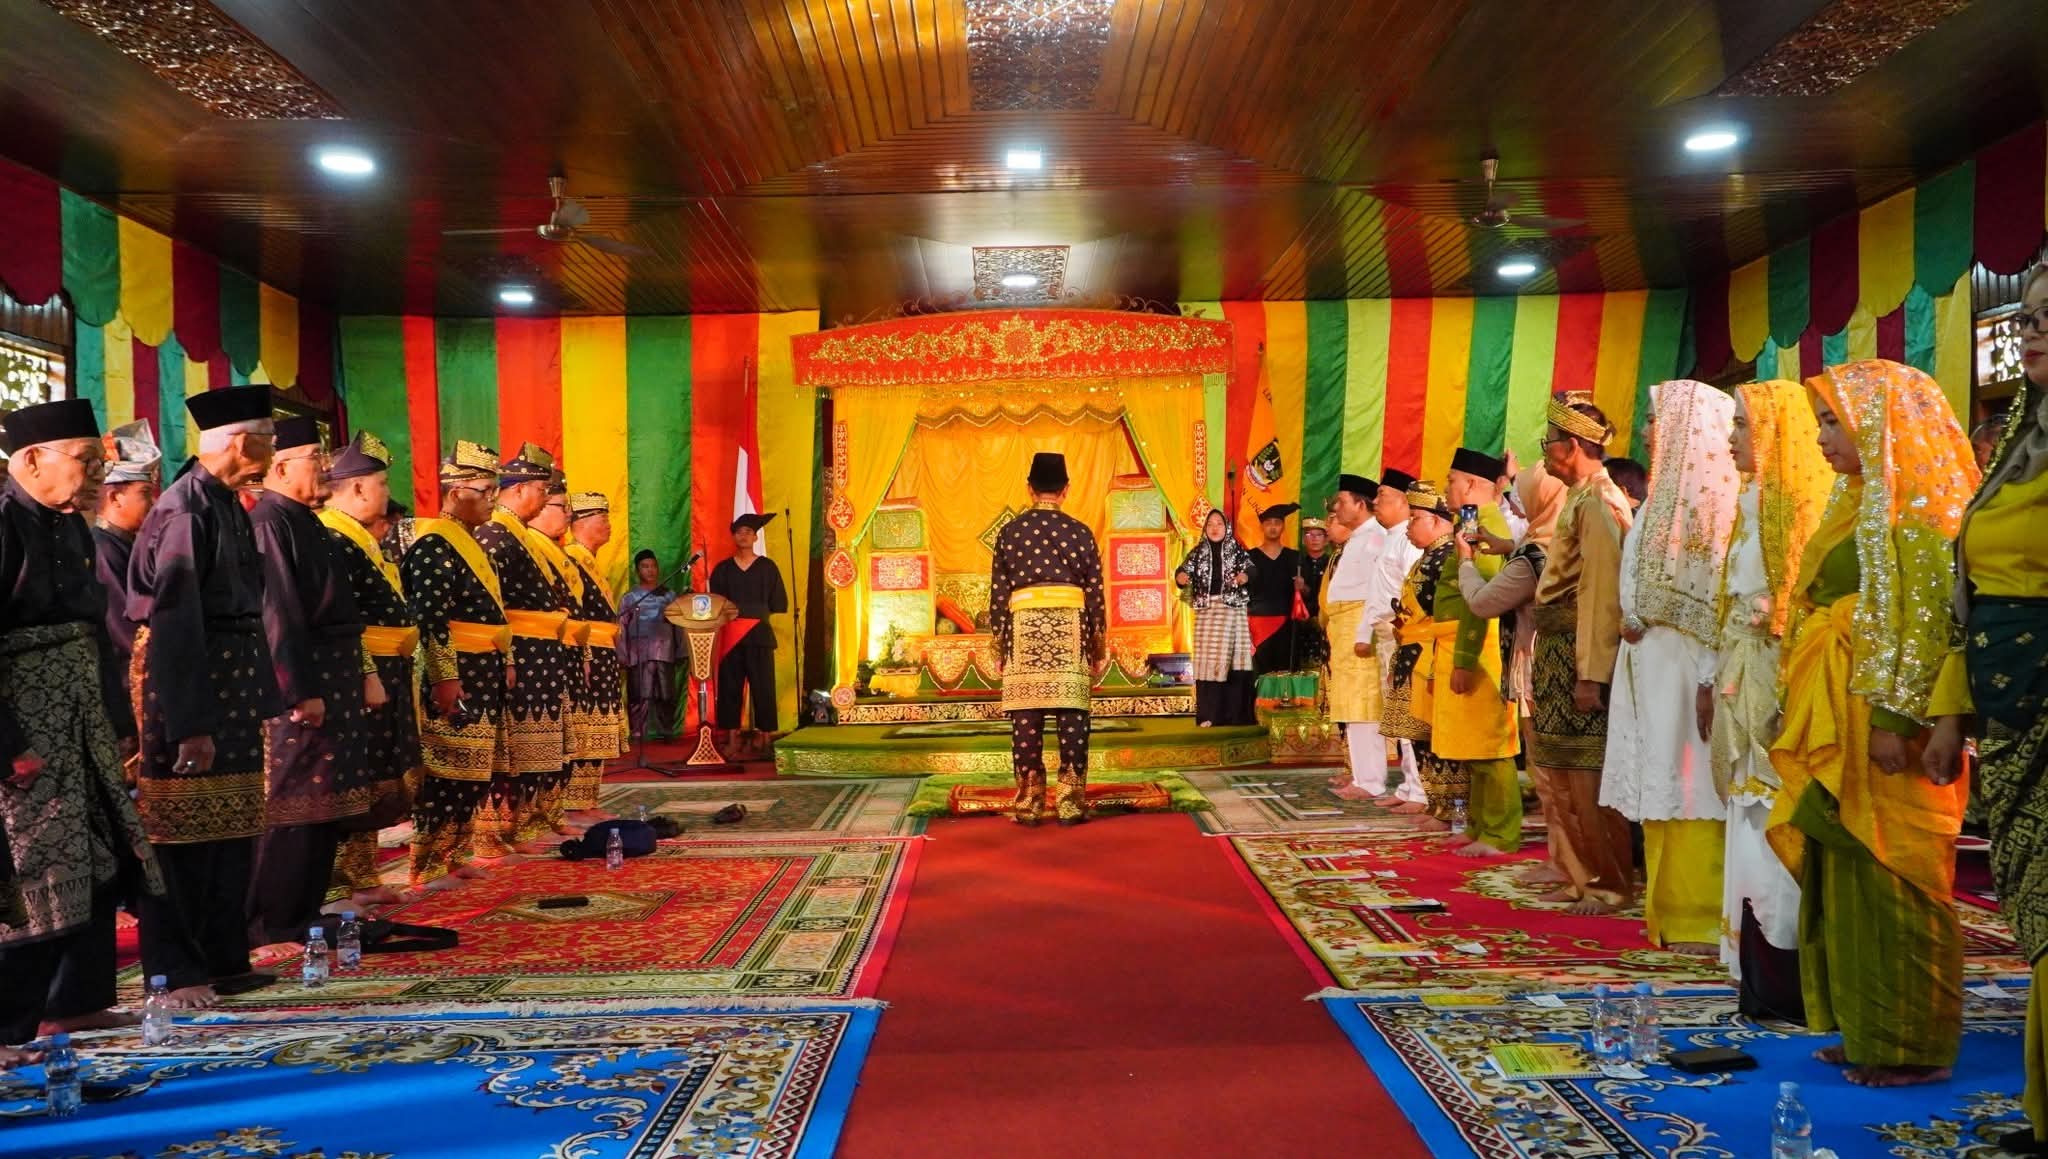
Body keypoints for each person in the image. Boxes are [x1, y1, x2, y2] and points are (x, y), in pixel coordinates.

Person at [1768, 359, 1977, 1088]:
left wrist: (1896, 717)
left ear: (1881, 422)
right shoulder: (1855, 500)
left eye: (1834, 420)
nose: (1822, 436)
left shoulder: (1918, 509)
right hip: (1837, 703)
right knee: (1845, 865)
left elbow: (1929, 627)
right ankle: (1864, 1027)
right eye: (1820, 420)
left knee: (1897, 875)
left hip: (1888, 719)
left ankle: (1909, 1045)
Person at [0, 400, 161, 1052]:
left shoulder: (71, 526)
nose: (98, 476)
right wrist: (9, 745)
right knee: (30, 878)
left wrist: (118, 722)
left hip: (83, 719)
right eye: (86, 461)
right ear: (32, 459)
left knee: (99, 856)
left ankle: (80, 1001)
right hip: (26, 732)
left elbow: (95, 633)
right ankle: (7, 1025)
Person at [1928, 263, 2048, 1139]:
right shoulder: (2020, 437)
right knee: (2034, 901)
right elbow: (1970, 589)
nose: (2032, 328)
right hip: (2010, 692)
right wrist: (1949, 707)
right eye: (2031, 315)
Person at [127, 385, 284, 1005]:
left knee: (230, 827)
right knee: (182, 836)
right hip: (188, 682)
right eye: (270, 439)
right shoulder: (185, 510)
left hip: (231, 679)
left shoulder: (224, 502)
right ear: (241, 441)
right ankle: (174, 971)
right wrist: (190, 721)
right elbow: (174, 621)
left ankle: (224, 956)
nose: (273, 452)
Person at [1599, 381, 1738, 955]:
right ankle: (1669, 915)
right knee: (1662, 783)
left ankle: (1704, 919)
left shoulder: (1710, 499)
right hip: (1650, 667)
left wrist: (1709, 678)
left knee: (1692, 783)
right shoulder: (1662, 497)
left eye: (1659, 421)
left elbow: (1716, 600)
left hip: (1686, 672)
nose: (1649, 432)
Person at [1708, 380, 1831, 1018]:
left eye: (1743, 427)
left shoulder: (1796, 503)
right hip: (1741, 667)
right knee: (1747, 805)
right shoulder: (1754, 498)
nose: (1731, 441)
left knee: (1770, 801)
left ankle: (1782, 960)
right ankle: (1750, 957)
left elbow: (1793, 606)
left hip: (1774, 672)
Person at [247, 417, 377, 954]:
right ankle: (271, 922)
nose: (325, 468)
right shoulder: (270, 520)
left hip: (334, 672)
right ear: (279, 466)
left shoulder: (306, 518)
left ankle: (303, 911)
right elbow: (278, 613)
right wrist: (298, 689)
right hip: (305, 682)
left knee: (323, 804)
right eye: (314, 459)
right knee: (292, 803)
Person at [1530, 393, 1636, 915]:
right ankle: (1579, 874)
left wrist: (1591, 673)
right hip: (1555, 651)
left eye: (1548, 444)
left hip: (1578, 655)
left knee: (1588, 775)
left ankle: (1609, 883)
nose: (1545, 453)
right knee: (1558, 771)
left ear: (1571, 446)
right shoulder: (1576, 495)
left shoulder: (1599, 501)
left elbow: (1601, 592)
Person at [399, 441, 511, 891]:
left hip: (483, 667)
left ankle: (455, 854)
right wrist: (446, 677)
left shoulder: (469, 541)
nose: (491, 499)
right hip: (456, 674)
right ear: (455, 491)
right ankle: (424, 866)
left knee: (473, 774)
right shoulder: (433, 544)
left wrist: (504, 659)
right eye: (484, 490)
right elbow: (430, 620)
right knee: (446, 774)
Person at [319, 432, 420, 913]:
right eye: (381, 483)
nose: (385, 494)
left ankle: (364, 875)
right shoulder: (332, 537)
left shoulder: (358, 538)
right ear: (357, 488)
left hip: (387, 671)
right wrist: (365, 673)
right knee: (354, 780)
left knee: (378, 777)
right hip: (360, 676)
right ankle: (341, 883)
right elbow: (342, 619)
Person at [1457, 464, 1574, 878]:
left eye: (1524, 496)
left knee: (1548, 773)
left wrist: (1467, 562)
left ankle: (1565, 864)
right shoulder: (1563, 535)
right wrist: (1504, 545)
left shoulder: (1533, 554)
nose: (1519, 505)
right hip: (1567, 663)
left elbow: (1484, 603)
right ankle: (1566, 861)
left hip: (1537, 663)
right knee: (1562, 773)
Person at [989, 452, 1107, 825]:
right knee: (1073, 716)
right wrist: (1097, 644)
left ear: (1029, 488)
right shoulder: (1080, 531)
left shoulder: (1010, 532)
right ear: (1066, 490)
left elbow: (999, 594)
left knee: (1026, 719)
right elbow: (1094, 592)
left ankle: (1029, 803)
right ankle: (1071, 803)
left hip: (1024, 631)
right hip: (1070, 628)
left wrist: (1000, 644)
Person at [472, 444, 574, 854]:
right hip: (522, 651)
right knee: (519, 749)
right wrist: (510, 656)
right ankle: (498, 830)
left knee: (543, 747)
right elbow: (493, 603)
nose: (546, 499)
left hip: (542, 651)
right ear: (517, 489)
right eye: (540, 489)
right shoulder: (496, 534)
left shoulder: (520, 535)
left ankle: (532, 822)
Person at [1322, 471, 1422, 801]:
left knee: (1364, 705)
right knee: (1356, 704)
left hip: (1366, 625)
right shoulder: (1364, 536)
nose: (1336, 510)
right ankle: (1368, 777)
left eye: (1341, 502)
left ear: (1359, 505)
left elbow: (1375, 592)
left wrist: (1364, 631)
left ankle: (1373, 780)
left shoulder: (1378, 535)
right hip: (1351, 625)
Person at [92, 420, 159, 736]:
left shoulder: (128, 546)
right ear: (116, 497)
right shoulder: (103, 549)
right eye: (145, 493)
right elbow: (129, 632)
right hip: (126, 686)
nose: (154, 503)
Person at [562, 491, 625, 822]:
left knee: (598, 731)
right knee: (585, 730)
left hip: (604, 652)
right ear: (582, 522)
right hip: (589, 654)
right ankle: (574, 802)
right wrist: (584, 655)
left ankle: (587, 799)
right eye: (603, 519)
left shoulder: (588, 559)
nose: (609, 526)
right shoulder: (570, 558)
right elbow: (576, 615)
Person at [709, 513, 789, 737]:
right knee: (730, 689)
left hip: (759, 635)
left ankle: (765, 738)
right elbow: (715, 603)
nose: (743, 536)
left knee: (763, 688)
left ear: (755, 537)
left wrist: (754, 614)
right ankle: (732, 738)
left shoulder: (767, 567)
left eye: (748, 532)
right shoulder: (723, 569)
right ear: (734, 537)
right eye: (739, 532)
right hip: (731, 635)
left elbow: (778, 603)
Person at [1174, 509, 1256, 727]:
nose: (1215, 527)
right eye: (1210, 524)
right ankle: (1210, 715)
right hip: (1207, 609)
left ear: (1226, 527)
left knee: (1233, 660)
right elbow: (1183, 571)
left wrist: (1243, 576)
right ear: (1205, 528)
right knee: (1208, 662)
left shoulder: (1236, 549)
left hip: (1232, 608)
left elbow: (1251, 569)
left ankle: (1236, 715)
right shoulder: (1199, 551)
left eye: (1219, 523)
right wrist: (1180, 578)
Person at [620, 549, 682, 741]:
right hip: (638, 652)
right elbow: (621, 626)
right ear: (637, 571)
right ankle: (638, 732)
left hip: (665, 649)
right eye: (645, 566)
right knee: (639, 694)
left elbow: (679, 624)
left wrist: (681, 650)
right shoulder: (630, 597)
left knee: (666, 694)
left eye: (653, 566)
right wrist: (622, 654)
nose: (650, 570)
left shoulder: (669, 595)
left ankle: (667, 731)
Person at [1246, 503, 1304, 674]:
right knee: (1259, 675)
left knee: (1285, 674)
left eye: (1277, 523)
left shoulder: (1295, 557)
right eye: (1268, 523)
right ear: (1261, 526)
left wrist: (1302, 587)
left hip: (1287, 624)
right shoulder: (1249, 557)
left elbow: (1306, 592)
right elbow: (1242, 594)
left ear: (1283, 527)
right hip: (1257, 624)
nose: (1273, 527)